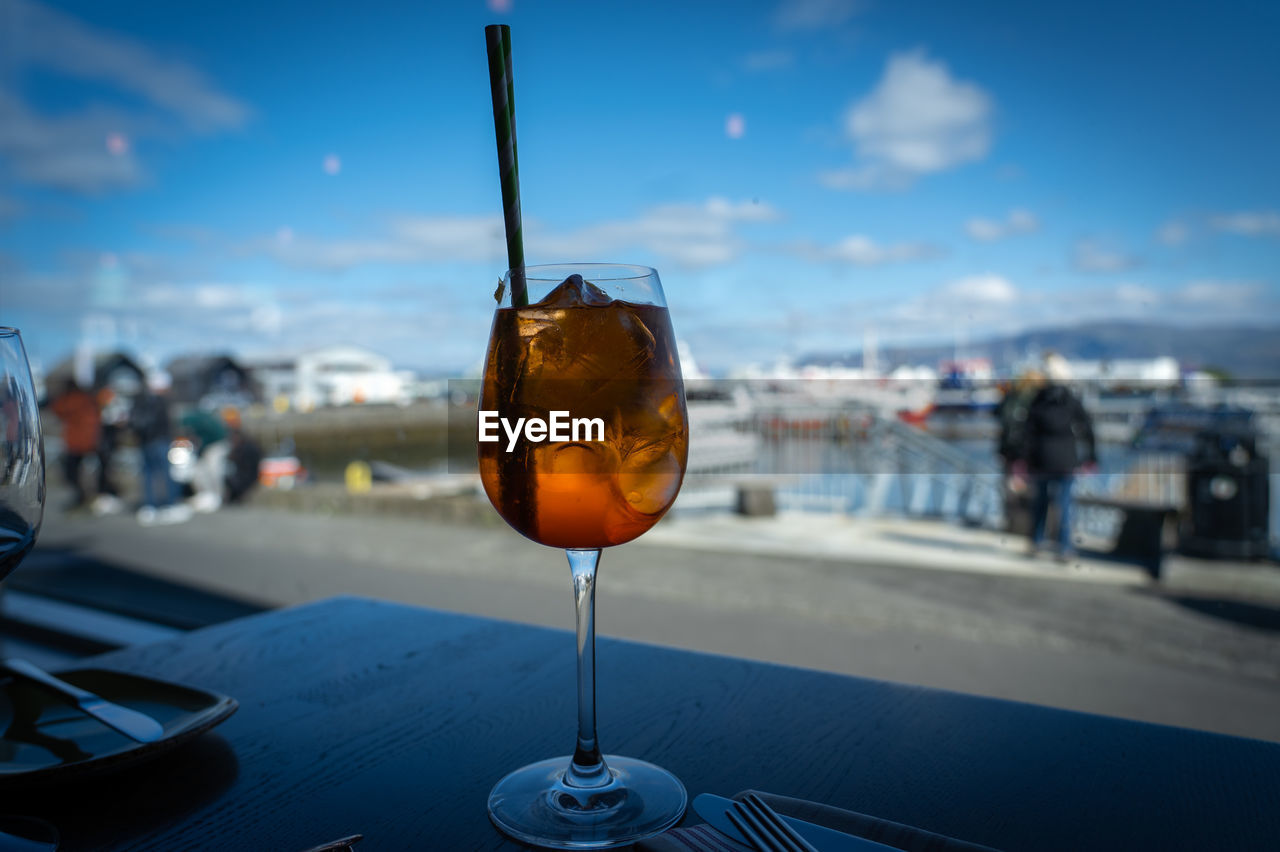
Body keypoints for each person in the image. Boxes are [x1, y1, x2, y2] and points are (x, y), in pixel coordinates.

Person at [1022, 354, 1096, 560]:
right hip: (1066, 460)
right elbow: (1087, 429)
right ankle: (1065, 547)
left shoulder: (1038, 400)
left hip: (1042, 459)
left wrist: (1025, 460)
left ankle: (1036, 542)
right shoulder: (1071, 401)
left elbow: (1028, 433)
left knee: (1041, 503)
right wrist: (1091, 456)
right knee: (1065, 505)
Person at [130, 372, 192, 526]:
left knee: (148, 474)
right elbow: (166, 423)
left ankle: (150, 507)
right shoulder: (160, 401)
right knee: (168, 472)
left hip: (144, 441)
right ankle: (170, 505)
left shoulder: (139, 399)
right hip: (160, 441)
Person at [994, 369, 1044, 535]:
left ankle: (1013, 524)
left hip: (1010, 452)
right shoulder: (1034, 401)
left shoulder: (1011, 398)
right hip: (1025, 454)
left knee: (1011, 491)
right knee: (1029, 491)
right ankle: (1029, 527)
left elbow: (1000, 416)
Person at [49, 379, 101, 510]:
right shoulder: (87, 399)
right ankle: (83, 497)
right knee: (84, 472)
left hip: (76, 443)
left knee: (72, 472)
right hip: (88, 441)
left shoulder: (71, 400)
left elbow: (57, 409)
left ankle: (81, 497)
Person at [180, 406, 230, 512]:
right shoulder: (195, 422)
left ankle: (218, 497)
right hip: (207, 448)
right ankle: (206, 495)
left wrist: (200, 448)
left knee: (214, 469)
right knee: (199, 471)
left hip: (217, 445)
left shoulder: (200, 423)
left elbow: (205, 440)